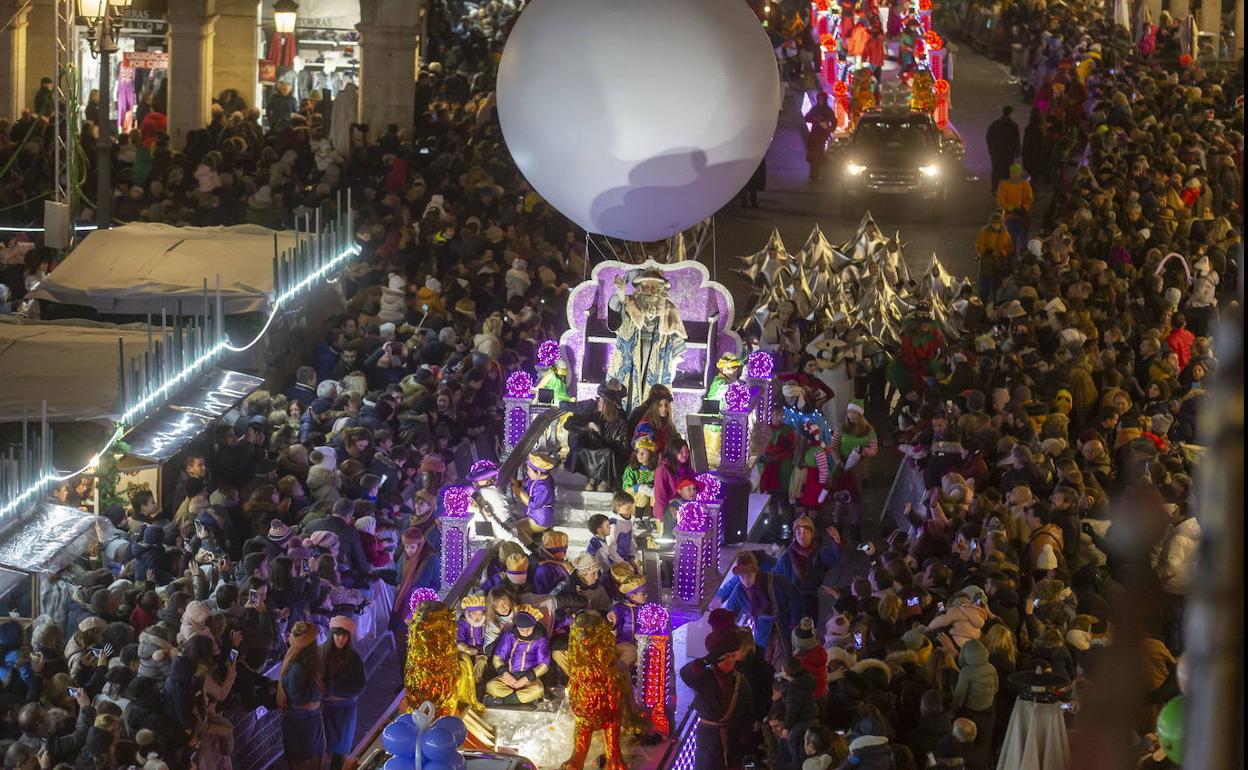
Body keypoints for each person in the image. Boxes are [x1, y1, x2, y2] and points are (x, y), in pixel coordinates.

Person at [679, 627, 755, 770]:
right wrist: (705, 660)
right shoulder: (705, 678)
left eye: (734, 656)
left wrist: (745, 741)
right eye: (729, 657)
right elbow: (685, 674)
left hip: (733, 737)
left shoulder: (741, 682)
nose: (732, 661)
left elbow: (748, 713)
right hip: (708, 738)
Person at [278, 621, 325, 770]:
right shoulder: (298, 666)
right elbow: (297, 695)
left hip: (305, 720)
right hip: (302, 720)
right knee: (307, 760)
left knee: (305, 760)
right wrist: (317, 693)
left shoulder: (300, 664)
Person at [321, 616, 365, 770]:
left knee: (339, 749)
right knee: (323, 749)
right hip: (324, 710)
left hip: (344, 710)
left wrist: (337, 689)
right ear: (331, 634)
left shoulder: (353, 658)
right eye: (337, 634)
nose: (341, 639)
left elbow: (360, 685)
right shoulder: (321, 654)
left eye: (344, 635)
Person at [484, 604, 550, 706]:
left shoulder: (540, 640)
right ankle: (520, 698)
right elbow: (498, 657)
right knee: (490, 686)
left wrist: (526, 678)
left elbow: (544, 664)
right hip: (509, 675)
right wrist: (506, 674)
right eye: (522, 630)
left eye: (528, 629)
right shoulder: (509, 636)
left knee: (538, 690)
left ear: (534, 626)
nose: (525, 632)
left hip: (529, 678)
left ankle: (501, 701)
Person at [996, 164, 1034, 257]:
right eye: (1013, 173)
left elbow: (1029, 198)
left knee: (1023, 239)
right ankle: (1011, 259)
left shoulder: (1025, 184)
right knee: (1012, 239)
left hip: (1022, 216)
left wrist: (1024, 208)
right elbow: (1001, 200)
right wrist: (1011, 208)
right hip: (1010, 217)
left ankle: (1023, 257)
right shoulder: (1004, 185)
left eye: (1016, 173)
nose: (1014, 175)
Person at [974, 211, 1013, 301]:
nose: (996, 225)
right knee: (984, 288)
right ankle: (982, 306)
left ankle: (996, 305)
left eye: (998, 223)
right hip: (986, 264)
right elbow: (979, 245)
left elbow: (1010, 247)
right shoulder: (984, 232)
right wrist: (990, 251)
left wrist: (1002, 252)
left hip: (999, 265)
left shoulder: (1005, 233)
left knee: (997, 288)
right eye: (994, 223)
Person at [985, 106, 1021, 191]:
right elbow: (1016, 139)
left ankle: (995, 187)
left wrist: (991, 148)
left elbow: (988, 136)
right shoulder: (1013, 125)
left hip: (997, 152)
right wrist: (1017, 151)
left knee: (996, 170)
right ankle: (1007, 188)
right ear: (1011, 113)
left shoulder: (996, 124)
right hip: (1008, 153)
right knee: (1007, 171)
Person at [804, 91, 837, 182]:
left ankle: (821, 174)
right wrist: (814, 119)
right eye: (819, 100)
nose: (820, 101)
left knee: (820, 154)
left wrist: (830, 129)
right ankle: (813, 174)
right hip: (814, 134)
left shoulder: (828, 110)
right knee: (813, 155)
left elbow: (834, 121)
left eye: (822, 100)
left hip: (823, 135)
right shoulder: (815, 109)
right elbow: (807, 118)